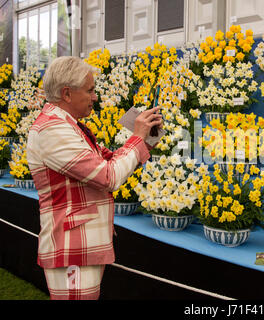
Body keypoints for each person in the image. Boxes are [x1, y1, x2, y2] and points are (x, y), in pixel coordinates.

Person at [26, 56, 163, 300]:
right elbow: (108, 176)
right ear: (67, 94)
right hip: (72, 248)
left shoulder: (66, 125)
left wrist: (146, 138)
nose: (95, 97)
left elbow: (108, 161)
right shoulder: (52, 129)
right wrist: (138, 137)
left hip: (78, 245)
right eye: (90, 90)